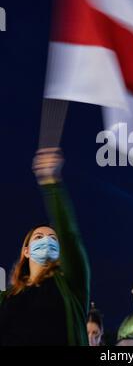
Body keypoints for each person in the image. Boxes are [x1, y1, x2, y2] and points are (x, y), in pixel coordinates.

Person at [0, 148, 90, 345]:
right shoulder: (6, 297)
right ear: (26, 251)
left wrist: (52, 184)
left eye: (53, 238)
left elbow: (70, 235)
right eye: (39, 237)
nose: (46, 240)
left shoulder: (71, 285)